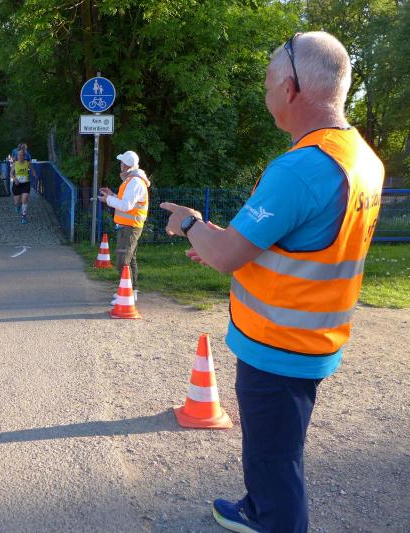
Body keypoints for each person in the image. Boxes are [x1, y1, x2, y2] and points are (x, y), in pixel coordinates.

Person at [161, 31, 384, 532]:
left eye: (266, 84)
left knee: (275, 459)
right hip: (314, 336)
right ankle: (258, 507)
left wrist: (190, 223)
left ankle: (273, 517)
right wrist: (223, 244)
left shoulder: (301, 168)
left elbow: (228, 255)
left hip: (277, 345)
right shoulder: (361, 158)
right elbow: (300, 241)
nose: (265, 94)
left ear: (289, 88)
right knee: (275, 447)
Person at [98, 150, 150, 304]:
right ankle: (130, 293)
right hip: (128, 227)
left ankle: (126, 296)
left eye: (121, 162)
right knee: (130, 260)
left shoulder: (134, 182)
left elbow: (126, 206)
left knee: (123, 261)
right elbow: (125, 202)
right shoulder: (132, 180)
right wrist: (112, 195)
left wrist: (108, 200)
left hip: (130, 227)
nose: (120, 165)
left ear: (125, 165)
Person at [10, 145, 37, 224]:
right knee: (16, 202)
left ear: (24, 156)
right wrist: (14, 179)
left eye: (22, 155)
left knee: (25, 198)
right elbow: (11, 173)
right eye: (19, 155)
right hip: (17, 185)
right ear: (17, 156)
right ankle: (18, 205)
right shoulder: (15, 164)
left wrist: (35, 175)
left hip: (25, 184)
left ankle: (23, 216)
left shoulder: (27, 163)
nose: (20, 157)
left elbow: (32, 169)